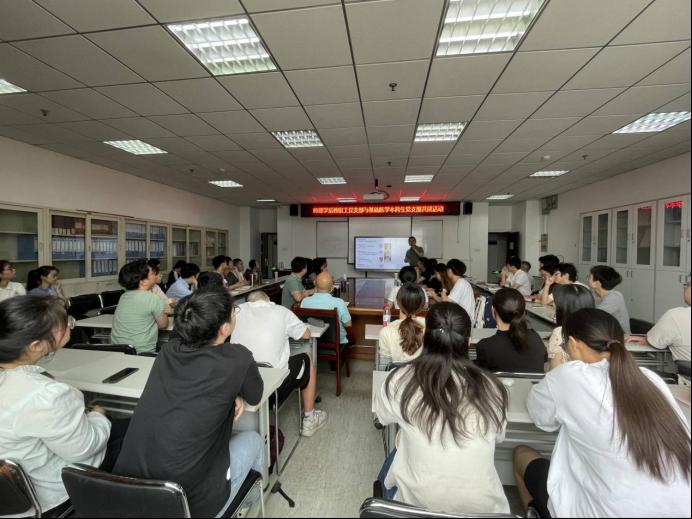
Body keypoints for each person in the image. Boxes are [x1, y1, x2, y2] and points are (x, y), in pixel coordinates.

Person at [513, 308, 691, 518]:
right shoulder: (651, 379)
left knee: (521, 454)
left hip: (603, 512)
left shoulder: (569, 376)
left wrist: (554, 367)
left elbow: (540, 416)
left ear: (573, 344)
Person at [113, 288, 264, 517]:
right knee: (254, 439)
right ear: (224, 328)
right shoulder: (238, 357)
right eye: (234, 311)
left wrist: (231, 390)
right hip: (188, 507)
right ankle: (247, 504)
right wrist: (236, 389)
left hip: (130, 494)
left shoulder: (168, 350)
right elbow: (254, 396)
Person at [374, 302, 509, 514]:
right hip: (484, 510)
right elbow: (498, 436)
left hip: (416, 507)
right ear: (469, 342)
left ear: (424, 337)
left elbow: (382, 417)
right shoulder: (493, 387)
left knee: (391, 463)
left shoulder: (399, 380)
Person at [0, 296, 128, 515]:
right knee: (135, 430)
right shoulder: (46, 395)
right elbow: (84, 450)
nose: (70, 325)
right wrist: (99, 415)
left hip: (7, 499)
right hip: (50, 498)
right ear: (36, 345)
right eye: (66, 323)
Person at [231, 291, 327, 436]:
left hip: (239, 387)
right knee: (306, 357)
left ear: (247, 302)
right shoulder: (281, 311)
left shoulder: (236, 312)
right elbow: (306, 334)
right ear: (269, 301)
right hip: (273, 390)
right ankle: (310, 417)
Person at [475, 288, 546, 373]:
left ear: (493, 311)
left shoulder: (485, 346)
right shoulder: (535, 338)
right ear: (523, 312)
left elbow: (482, 376)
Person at [111, 259, 170, 354]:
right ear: (143, 281)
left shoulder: (124, 296)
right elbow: (163, 325)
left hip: (118, 350)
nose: (156, 275)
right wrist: (165, 311)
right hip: (142, 351)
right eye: (152, 273)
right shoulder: (152, 298)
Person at [628, 278, 690, 362]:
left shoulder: (675, 315)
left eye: (688, 285)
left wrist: (647, 340)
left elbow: (655, 343)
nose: (685, 288)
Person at [546, 284, 595, 370]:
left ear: (564, 308)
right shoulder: (597, 330)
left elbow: (554, 371)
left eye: (556, 303)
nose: (553, 305)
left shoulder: (560, 332)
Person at [379, 283, 426, 365]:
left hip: (397, 372)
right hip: (424, 372)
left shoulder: (386, 331)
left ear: (397, 302)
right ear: (422, 305)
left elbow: (385, 363)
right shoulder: (431, 326)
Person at [300, 272, 351, 346]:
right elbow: (348, 324)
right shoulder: (339, 303)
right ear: (332, 287)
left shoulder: (305, 301)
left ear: (314, 283)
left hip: (312, 343)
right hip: (336, 343)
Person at [588, 265, 631, 334]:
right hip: (602, 332)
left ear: (597, 283)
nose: (587, 278)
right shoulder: (594, 293)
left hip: (619, 336)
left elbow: (594, 317)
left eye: (589, 277)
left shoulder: (615, 297)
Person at [439, 259, 475, 325]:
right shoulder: (461, 282)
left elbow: (445, 303)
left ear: (449, 271)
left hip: (464, 322)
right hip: (462, 318)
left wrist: (443, 291)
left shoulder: (460, 283)